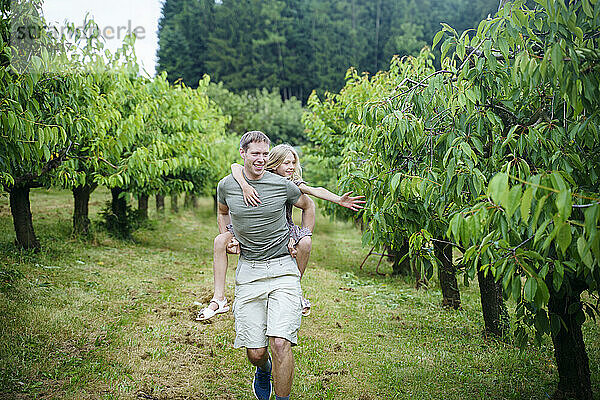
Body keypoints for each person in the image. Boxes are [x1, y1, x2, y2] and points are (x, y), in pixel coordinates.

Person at [197, 144, 365, 320]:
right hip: (251, 225)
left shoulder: (291, 183)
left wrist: (337, 200)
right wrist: (244, 185)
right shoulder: (259, 174)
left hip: (284, 227)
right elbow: (235, 166)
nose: (291, 167)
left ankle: (294, 290)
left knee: (305, 243)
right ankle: (219, 299)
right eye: (286, 163)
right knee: (219, 241)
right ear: (274, 163)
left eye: (293, 162)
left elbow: (314, 192)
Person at [213, 131, 315, 400]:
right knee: (255, 352)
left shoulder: (281, 185)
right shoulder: (226, 185)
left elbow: (307, 204)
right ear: (243, 154)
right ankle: (263, 369)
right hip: (250, 270)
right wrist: (230, 236)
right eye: (255, 153)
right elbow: (222, 212)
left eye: (265, 154)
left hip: (283, 268)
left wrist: (302, 238)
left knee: (280, 342)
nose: (260, 159)